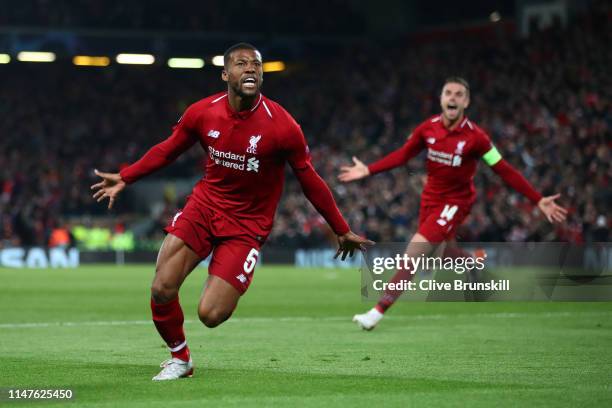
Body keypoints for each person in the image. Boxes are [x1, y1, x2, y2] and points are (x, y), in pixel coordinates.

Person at [91, 43, 372, 380]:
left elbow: (309, 179)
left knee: (210, 314)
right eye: (241, 64)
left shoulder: (282, 126)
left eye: (256, 64)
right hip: (205, 207)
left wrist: (340, 228)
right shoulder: (203, 112)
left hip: (247, 225)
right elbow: (167, 151)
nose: (250, 69)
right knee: (161, 287)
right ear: (226, 74)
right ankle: (181, 359)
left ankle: (230, 278)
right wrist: (126, 176)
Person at [339, 77, 567, 330]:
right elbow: (403, 155)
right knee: (435, 255)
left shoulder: (477, 138)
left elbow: (503, 169)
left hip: (455, 202)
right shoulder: (428, 129)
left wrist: (538, 199)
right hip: (430, 200)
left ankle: (376, 313)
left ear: (466, 102)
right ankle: (473, 259)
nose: (453, 98)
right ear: (441, 99)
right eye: (449, 93)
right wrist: (369, 170)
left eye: (459, 94)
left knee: (414, 254)